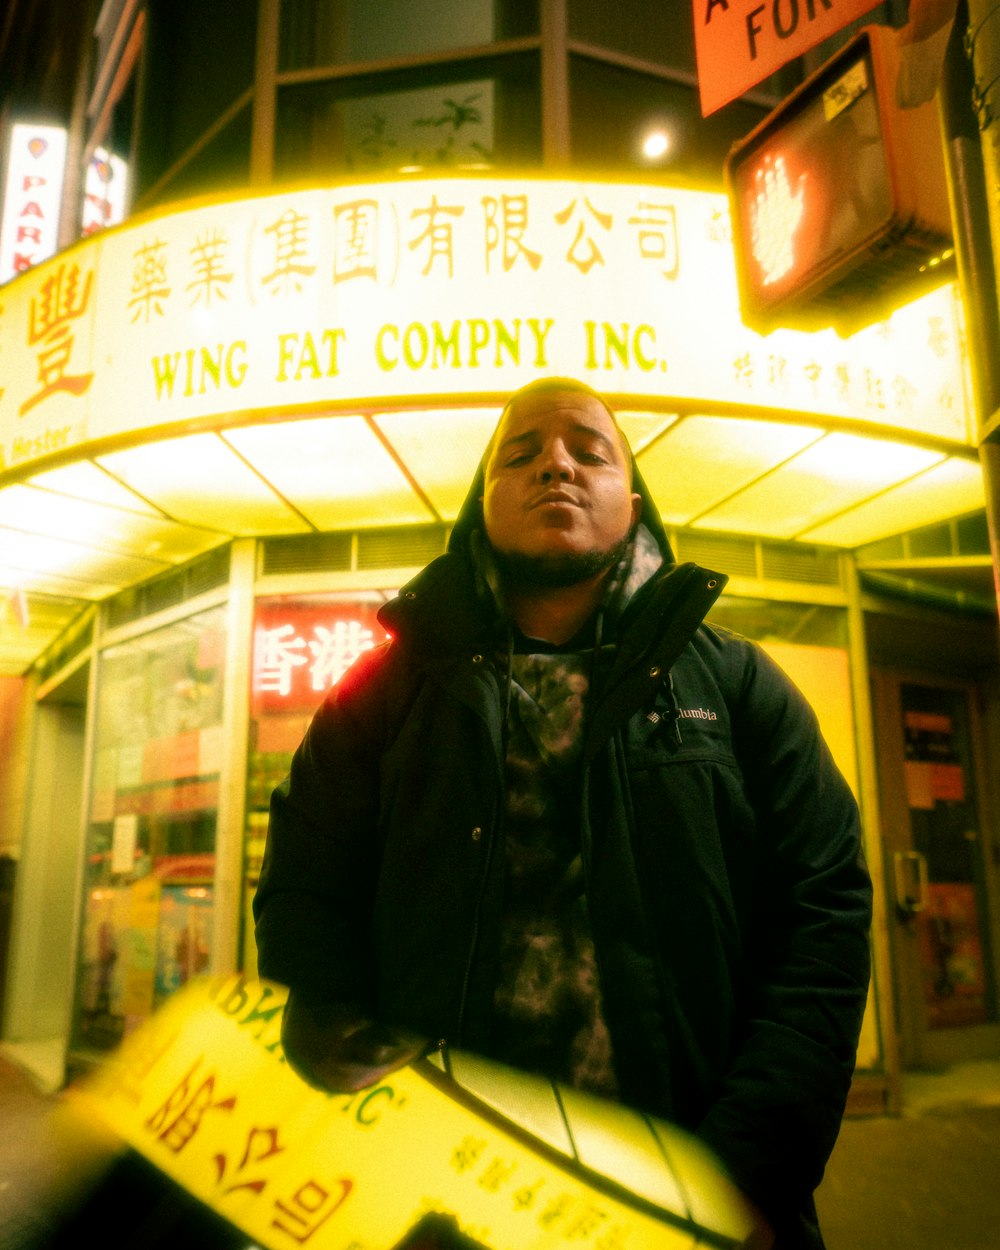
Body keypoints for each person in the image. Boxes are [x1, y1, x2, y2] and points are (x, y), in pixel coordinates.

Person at [253, 377, 873, 1250]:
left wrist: (748, 1167)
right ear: (482, 504)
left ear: (634, 500)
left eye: (590, 451)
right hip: (436, 1192)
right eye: (522, 452)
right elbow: (307, 887)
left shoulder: (735, 683)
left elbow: (824, 914)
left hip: (697, 1183)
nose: (556, 464)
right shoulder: (382, 694)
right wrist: (342, 1052)